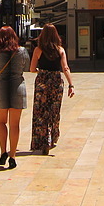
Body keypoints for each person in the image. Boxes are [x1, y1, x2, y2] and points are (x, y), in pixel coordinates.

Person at [0, 26, 29, 169]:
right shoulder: (22, 51)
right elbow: (27, 67)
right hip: (17, 87)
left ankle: (2, 152)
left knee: (1, 122)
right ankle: (12, 156)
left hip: (1, 87)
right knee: (14, 124)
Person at [29, 24, 74, 155]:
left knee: (41, 111)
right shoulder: (60, 50)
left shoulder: (38, 50)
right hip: (56, 81)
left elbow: (31, 69)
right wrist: (71, 85)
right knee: (54, 110)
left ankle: (42, 140)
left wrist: (39, 71)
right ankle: (52, 138)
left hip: (42, 81)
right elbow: (65, 68)